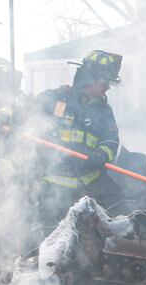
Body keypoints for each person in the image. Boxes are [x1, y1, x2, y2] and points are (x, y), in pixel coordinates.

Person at [33, 50, 123, 230]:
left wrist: (99, 155)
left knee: (118, 215)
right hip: (55, 189)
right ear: (89, 79)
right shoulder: (54, 99)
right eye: (104, 82)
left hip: (91, 184)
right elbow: (24, 114)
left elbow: (111, 141)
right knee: (56, 239)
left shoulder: (105, 111)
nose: (107, 88)